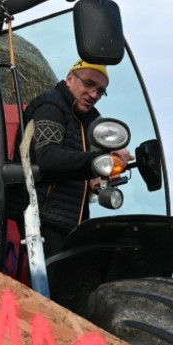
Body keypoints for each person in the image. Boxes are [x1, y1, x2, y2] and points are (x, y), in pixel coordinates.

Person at [21, 61, 134, 262]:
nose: (94, 94)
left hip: (70, 223)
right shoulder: (50, 106)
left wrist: (95, 180)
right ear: (70, 79)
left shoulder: (85, 121)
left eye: (100, 91)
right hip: (43, 222)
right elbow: (48, 159)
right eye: (89, 84)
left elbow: (78, 168)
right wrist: (100, 161)